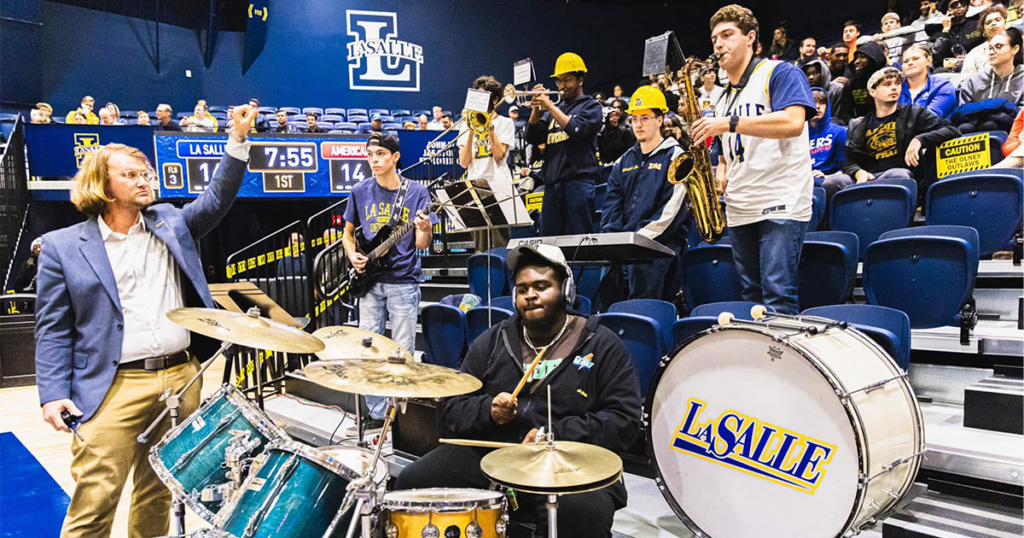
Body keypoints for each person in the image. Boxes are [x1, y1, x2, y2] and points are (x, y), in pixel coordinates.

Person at [34, 105, 257, 538]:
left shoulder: (171, 221)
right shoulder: (62, 247)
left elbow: (216, 200)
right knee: (95, 501)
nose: (145, 180)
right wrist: (53, 392)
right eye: (132, 174)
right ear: (103, 184)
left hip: (181, 379)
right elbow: (53, 328)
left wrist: (238, 140)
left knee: (159, 493)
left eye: (146, 173)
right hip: (110, 387)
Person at [394, 243, 641, 538]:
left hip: (574, 464)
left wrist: (555, 435)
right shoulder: (493, 340)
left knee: (580, 512)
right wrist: (488, 411)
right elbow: (452, 408)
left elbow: (624, 420)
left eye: (541, 286)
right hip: (496, 454)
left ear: (566, 291)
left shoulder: (600, 343)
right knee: (414, 481)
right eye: (522, 288)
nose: (530, 295)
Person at [691, 4, 816, 316]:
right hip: (740, 203)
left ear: (750, 38)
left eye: (727, 35)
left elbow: (793, 123)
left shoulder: (780, 72)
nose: (719, 43)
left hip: (781, 199)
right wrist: (719, 173)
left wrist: (729, 123)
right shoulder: (721, 96)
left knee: (778, 295)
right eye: (715, 38)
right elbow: (724, 148)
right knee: (751, 296)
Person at [341, 132, 432, 421]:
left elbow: (421, 244)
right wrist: (352, 254)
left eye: (380, 154)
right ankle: (377, 414)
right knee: (369, 350)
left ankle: (401, 415)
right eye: (370, 154)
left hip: (403, 282)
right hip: (369, 281)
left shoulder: (417, 193)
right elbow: (347, 233)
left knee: (401, 351)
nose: (374, 160)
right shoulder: (359, 191)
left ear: (395, 157)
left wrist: (425, 228)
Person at [600, 86, 688, 304]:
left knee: (643, 299)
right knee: (608, 294)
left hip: (659, 246)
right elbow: (612, 204)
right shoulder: (624, 161)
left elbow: (669, 211)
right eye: (634, 118)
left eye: (645, 118)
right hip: (625, 246)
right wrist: (616, 241)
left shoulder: (676, 156)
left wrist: (637, 240)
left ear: (660, 120)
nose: (638, 124)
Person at [525, 52, 603, 236]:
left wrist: (550, 107)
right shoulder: (556, 109)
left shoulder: (591, 106)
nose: (562, 86)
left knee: (580, 241)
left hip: (578, 184)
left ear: (580, 80)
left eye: (567, 80)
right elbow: (533, 137)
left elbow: (577, 131)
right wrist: (536, 108)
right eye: (559, 81)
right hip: (552, 185)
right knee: (549, 241)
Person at [844, 67, 960, 188]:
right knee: (835, 182)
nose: (894, 87)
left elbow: (952, 129)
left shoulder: (914, 114)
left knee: (898, 174)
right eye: (887, 84)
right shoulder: (859, 124)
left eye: (898, 83)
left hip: (898, 174)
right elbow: (849, 162)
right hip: (869, 176)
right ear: (872, 91)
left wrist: (919, 140)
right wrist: (858, 172)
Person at [458, 75, 517, 252]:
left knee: (500, 243)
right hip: (475, 188)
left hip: (498, 187)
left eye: (484, 97)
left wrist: (488, 127)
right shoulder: (465, 124)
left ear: (496, 100)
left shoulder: (505, 123)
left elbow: (499, 155)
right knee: (480, 247)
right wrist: (470, 130)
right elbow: (463, 162)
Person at [808, 88, 853, 204]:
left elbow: (844, 168)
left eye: (822, 102)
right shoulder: (798, 134)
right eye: (813, 102)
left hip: (827, 178)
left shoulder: (839, 132)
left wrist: (826, 176)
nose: (817, 106)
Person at [960, 29, 1023, 105]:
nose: (991, 52)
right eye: (990, 48)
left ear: (1015, 49)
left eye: (998, 46)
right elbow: (963, 113)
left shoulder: (1021, 78)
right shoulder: (972, 82)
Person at [899, 44, 958, 119]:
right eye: (905, 61)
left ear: (929, 60)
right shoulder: (895, 90)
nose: (910, 63)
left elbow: (931, 117)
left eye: (916, 58)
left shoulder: (943, 86)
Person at [838, 41, 888, 122]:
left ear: (874, 59)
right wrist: (853, 122)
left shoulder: (888, 80)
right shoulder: (851, 84)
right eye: (856, 58)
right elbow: (845, 112)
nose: (856, 61)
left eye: (862, 57)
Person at [934, 0, 985, 70]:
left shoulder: (977, 25)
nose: (959, 6)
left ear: (967, 7)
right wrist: (946, 30)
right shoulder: (939, 31)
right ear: (947, 9)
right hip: (951, 71)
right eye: (954, 5)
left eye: (962, 3)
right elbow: (937, 58)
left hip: (977, 65)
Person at [962, 4, 1009, 75]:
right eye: (988, 23)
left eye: (998, 20)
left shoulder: (1016, 46)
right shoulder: (974, 53)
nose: (993, 24)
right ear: (984, 30)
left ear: (1005, 24)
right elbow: (966, 81)